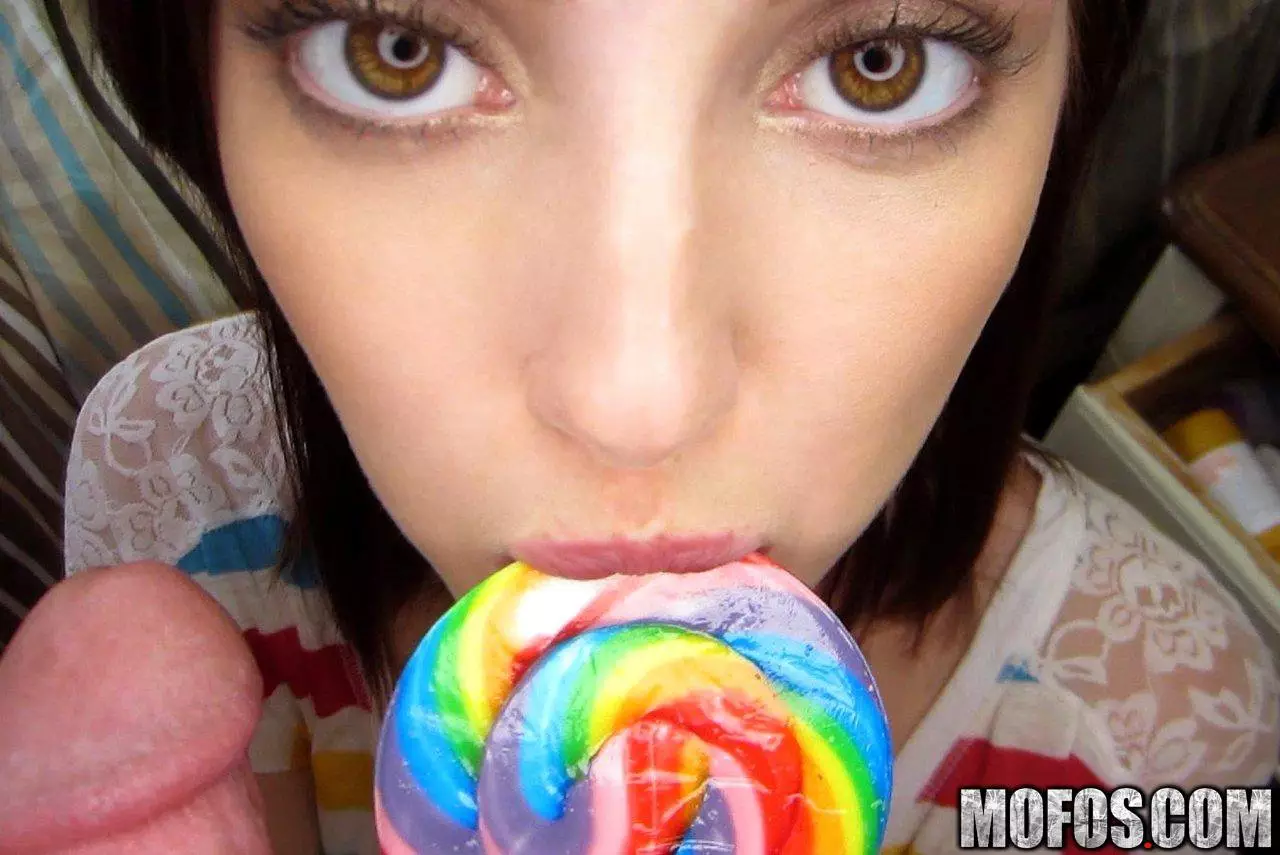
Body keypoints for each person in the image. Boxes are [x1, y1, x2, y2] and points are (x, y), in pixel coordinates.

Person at [1, 1, 1277, 853]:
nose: (636, 403)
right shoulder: (177, 484)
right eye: (399, 49)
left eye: (877, 64)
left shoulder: (1154, 746)